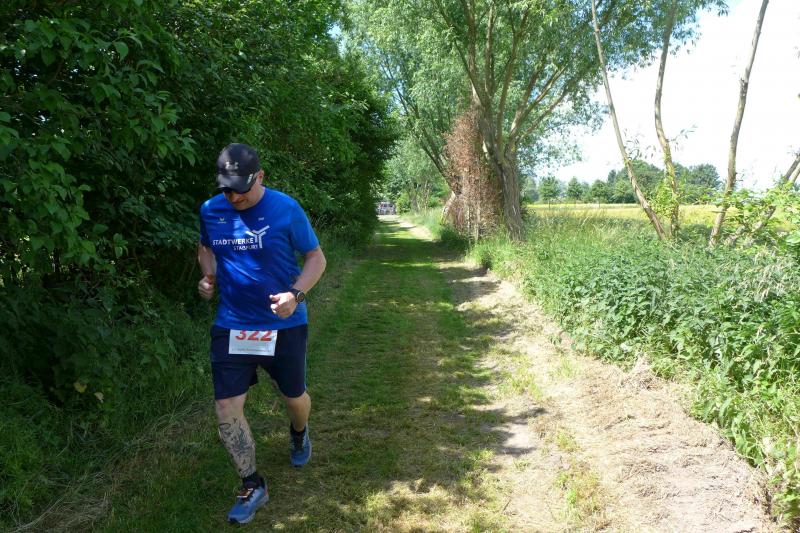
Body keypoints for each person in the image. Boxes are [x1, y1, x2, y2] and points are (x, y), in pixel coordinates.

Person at [196, 143, 326, 524]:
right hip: (232, 323)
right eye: (227, 190)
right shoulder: (211, 210)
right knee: (225, 407)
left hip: (283, 325)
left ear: (260, 177)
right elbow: (205, 248)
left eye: (241, 189)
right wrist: (208, 276)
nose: (234, 198)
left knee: (294, 397)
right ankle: (252, 483)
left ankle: (299, 432)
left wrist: (295, 294)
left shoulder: (286, 208)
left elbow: (316, 258)